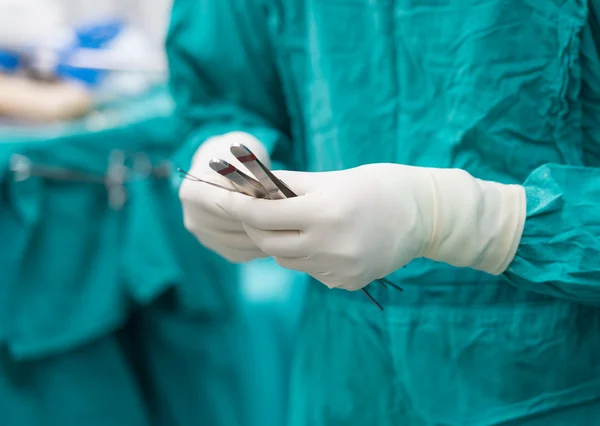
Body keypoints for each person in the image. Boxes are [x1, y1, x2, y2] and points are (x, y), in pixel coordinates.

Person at [170, 0, 600, 424]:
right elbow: (224, 91)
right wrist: (223, 153)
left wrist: (481, 220)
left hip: (560, 378)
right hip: (346, 371)